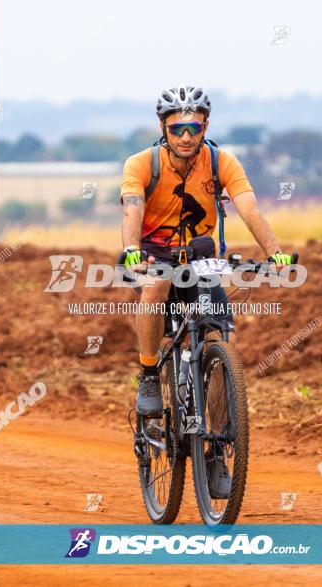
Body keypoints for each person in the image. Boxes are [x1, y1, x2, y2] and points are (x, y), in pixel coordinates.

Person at [119, 86, 293, 497]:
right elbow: (132, 207)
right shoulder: (142, 163)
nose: (185, 136)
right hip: (153, 253)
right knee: (157, 283)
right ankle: (148, 375)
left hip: (201, 257)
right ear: (163, 128)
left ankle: (214, 450)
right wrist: (130, 250)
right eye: (177, 127)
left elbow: (249, 207)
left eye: (193, 127)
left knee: (216, 340)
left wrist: (276, 253)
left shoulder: (221, 161)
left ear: (205, 127)